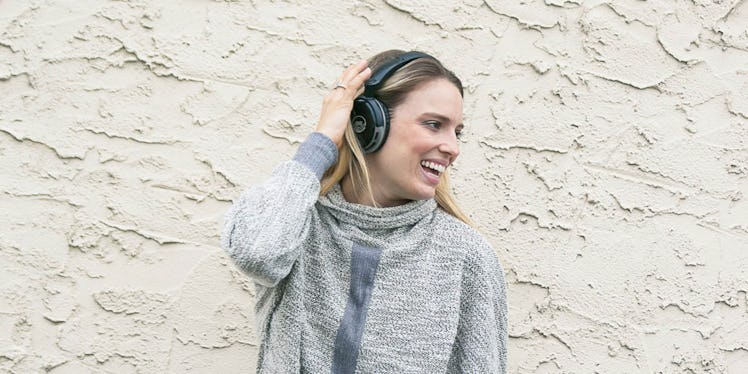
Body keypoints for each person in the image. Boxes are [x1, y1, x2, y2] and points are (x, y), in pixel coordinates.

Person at [221, 50, 507, 373]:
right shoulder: (298, 223)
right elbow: (256, 252)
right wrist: (324, 139)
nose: (453, 148)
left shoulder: (466, 256)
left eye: (457, 132)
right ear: (370, 123)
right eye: (433, 124)